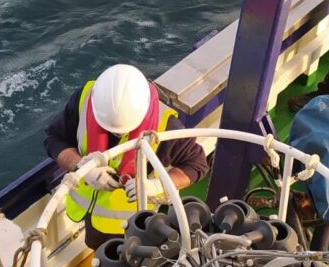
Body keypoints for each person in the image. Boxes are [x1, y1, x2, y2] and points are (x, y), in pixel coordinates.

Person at [44, 63, 209, 252]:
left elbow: (197, 164)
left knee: (132, 256)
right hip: (90, 217)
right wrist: (81, 166)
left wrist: (157, 186)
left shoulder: (167, 126)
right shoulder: (85, 99)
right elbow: (54, 139)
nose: (114, 135)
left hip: (133, 223)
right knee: (98, 247)